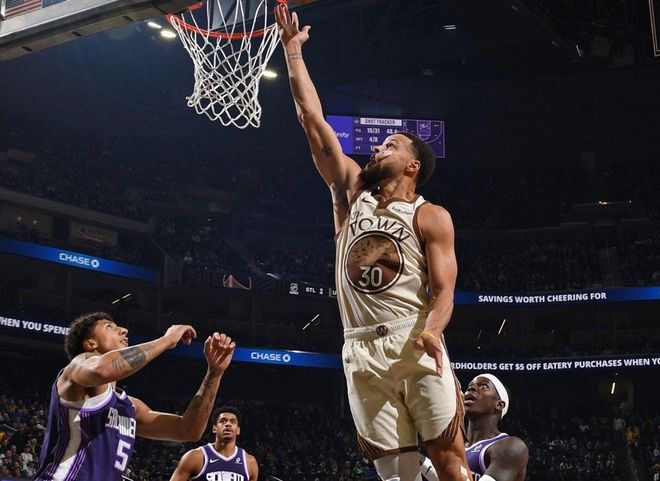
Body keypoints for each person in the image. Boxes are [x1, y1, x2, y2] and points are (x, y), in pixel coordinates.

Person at [275, 5, 470, 481]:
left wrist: (433, 331)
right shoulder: (349, 192)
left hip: (413, 337)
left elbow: (444, 290)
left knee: (450, 464)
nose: (378, 147)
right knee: (395, 475)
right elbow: (311, 119)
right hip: (359, 346)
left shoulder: (430, 215)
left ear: (413, 166)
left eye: (391, 145)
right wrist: (293, 53)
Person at [34, 311, 235, 481]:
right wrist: (166, 340)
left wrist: (214, 374)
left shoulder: (130, 406)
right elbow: (102, 370)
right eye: (110, 327)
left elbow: (188, 430)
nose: (123, 330)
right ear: (91, 343)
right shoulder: (76, 370)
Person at [169, 406, 258, 481]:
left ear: (238, 430)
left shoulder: (250, 462)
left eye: (233, 422)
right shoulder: (195, 457)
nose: (228, 424)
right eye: (223, 421)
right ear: (214, 428)